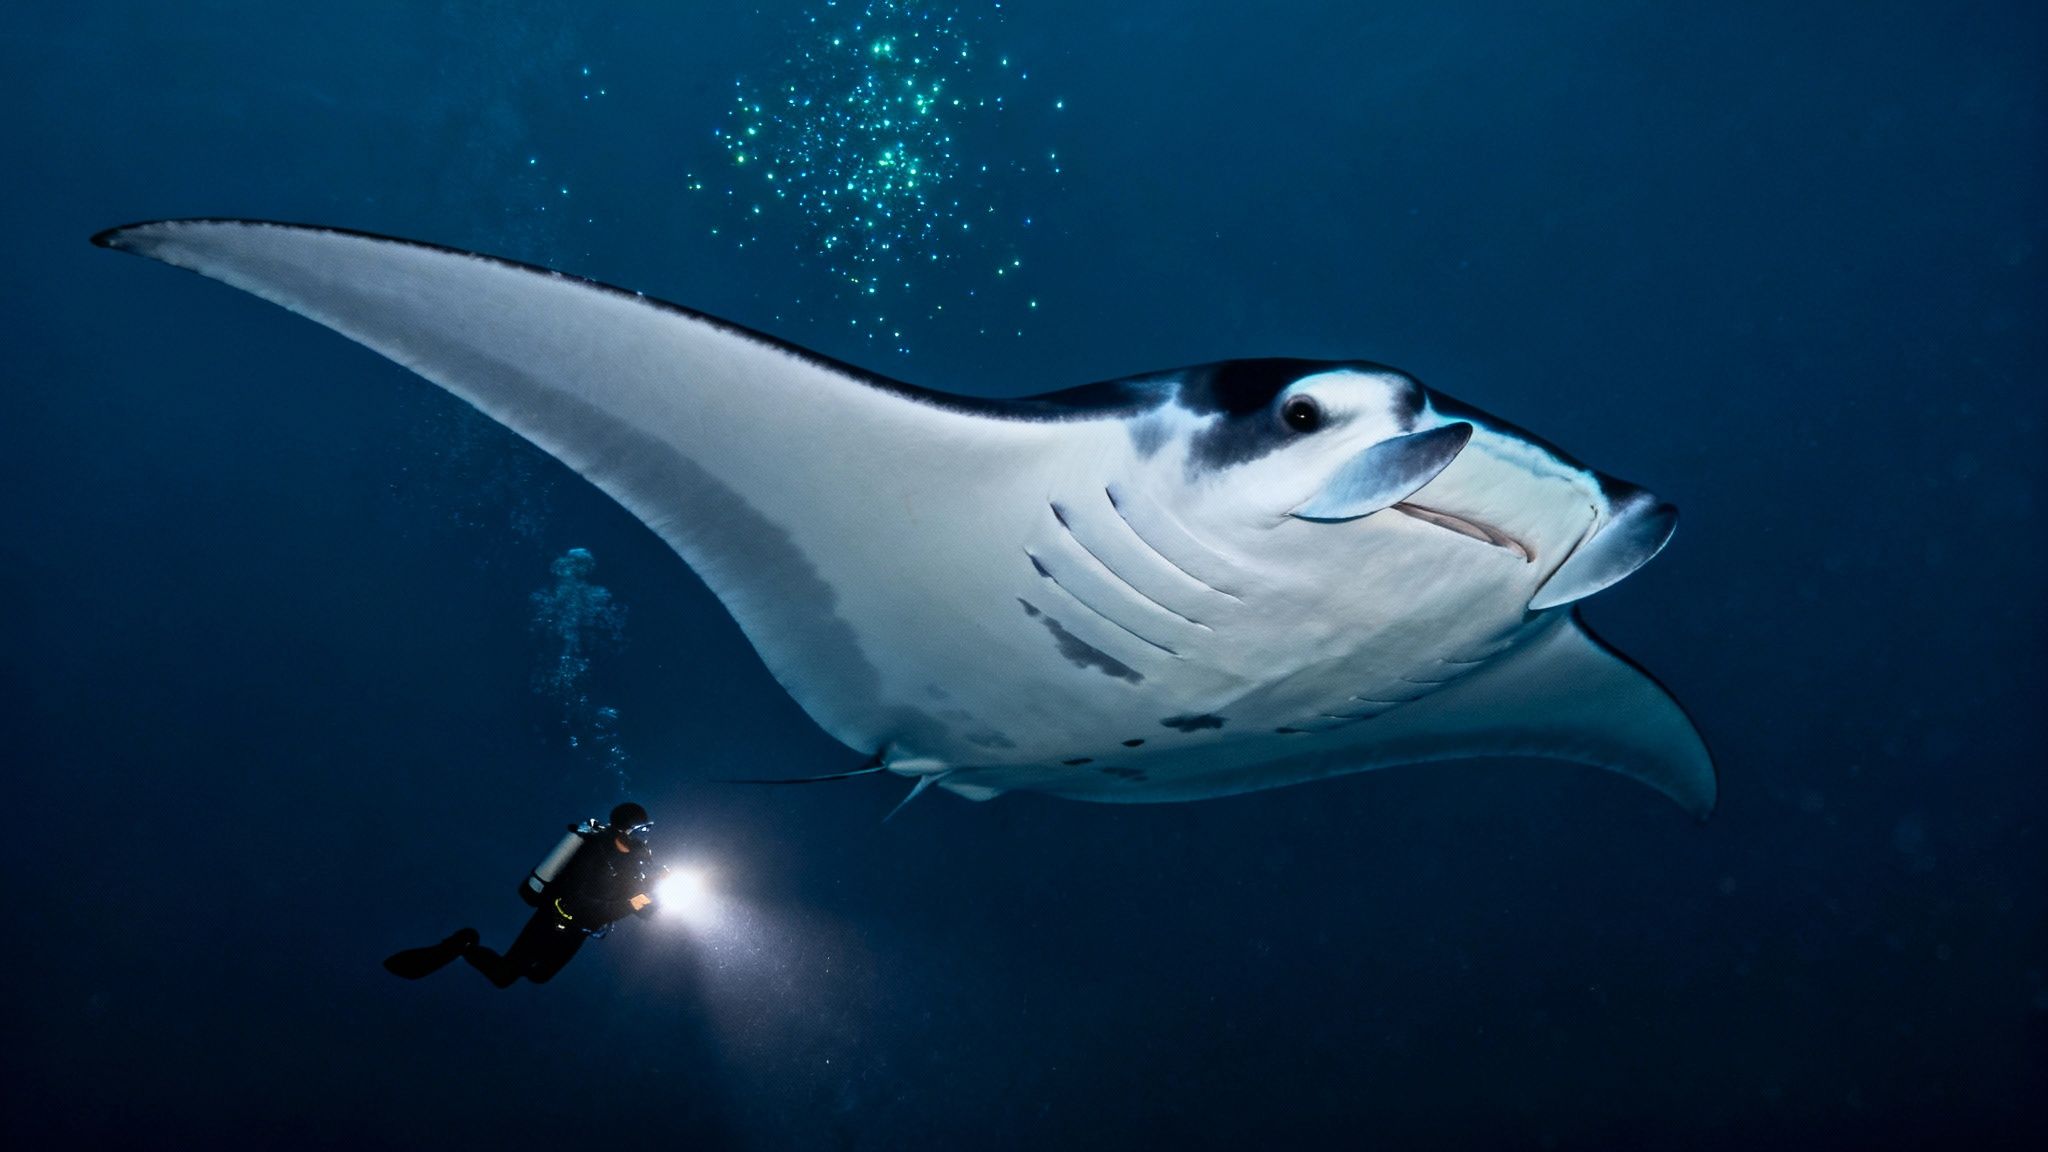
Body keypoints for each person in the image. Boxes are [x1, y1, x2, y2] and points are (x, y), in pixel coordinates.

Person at [384, 802, 661, 988]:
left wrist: (653, 899)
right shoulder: (591, 854)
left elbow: (640, 907)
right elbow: (582, 904)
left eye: (647, 829)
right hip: (554, 919)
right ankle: (464, 943)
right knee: (505, 976)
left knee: (539, 976)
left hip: (579, 931)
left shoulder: (634, 863)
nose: (643, 837)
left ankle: (474, 949)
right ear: (621, 829)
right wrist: (630, 904)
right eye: (639, 830)